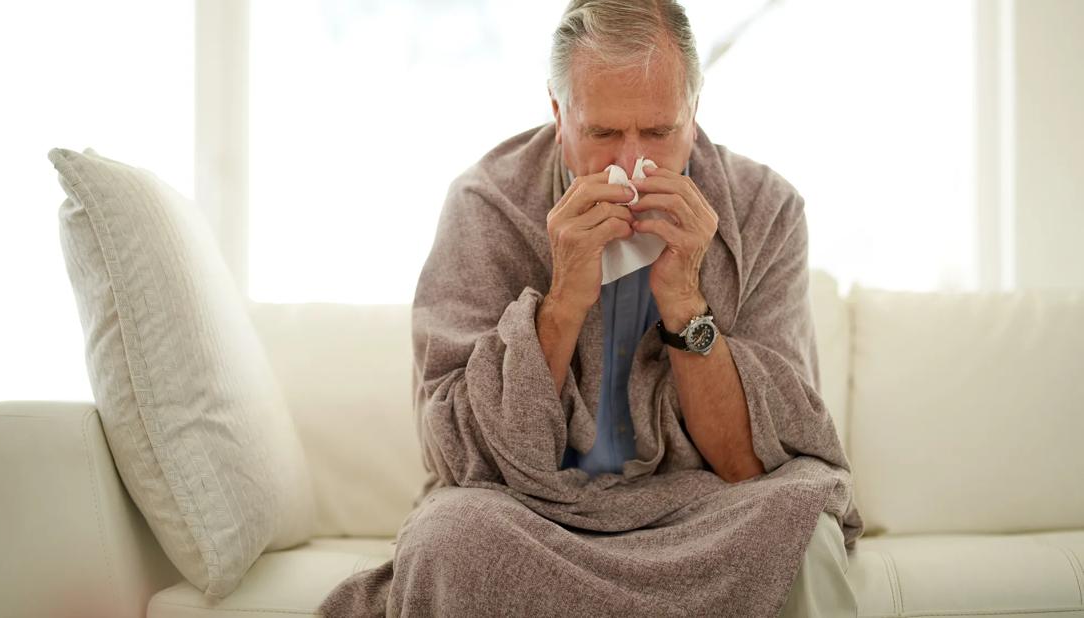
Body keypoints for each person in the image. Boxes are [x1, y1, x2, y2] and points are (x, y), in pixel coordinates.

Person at [321, 1, 863, 616]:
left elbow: (750, 463)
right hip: (533, 511)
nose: (632, 165)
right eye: (603, 133)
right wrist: (563, 302)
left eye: (659, 131)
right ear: (559, 113)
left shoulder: (767, 209)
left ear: (693, 112)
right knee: (451, 540)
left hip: (702, 510)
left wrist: (685, 302)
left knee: (803, 528)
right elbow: (460, 456)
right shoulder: (486, 204)